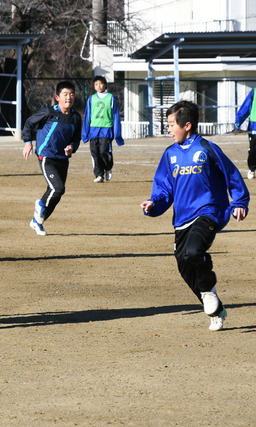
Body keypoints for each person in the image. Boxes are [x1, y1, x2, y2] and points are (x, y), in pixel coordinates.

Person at [141, 100, 249, 331]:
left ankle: (209, 288)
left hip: (208, 212)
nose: (168, 129)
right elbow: (164, 189)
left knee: (193, 252)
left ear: (187, 125)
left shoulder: (207, 149)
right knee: (185, 266)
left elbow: (232, 175)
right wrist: (154, 203)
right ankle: (215, 308)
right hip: (182, 220)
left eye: (171, 124)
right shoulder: (169, 155)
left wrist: (239, 202)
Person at [22, 80, 82, 236]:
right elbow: (29, 122)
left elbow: (76, 138)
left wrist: (72, 147)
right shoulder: (49, 113)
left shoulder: (76, 117)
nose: (69, 97)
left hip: (63, 159)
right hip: (46, 156)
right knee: (58, 188)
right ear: (57, 97)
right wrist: (28, 142)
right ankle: (40, 204)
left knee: (56, 193)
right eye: (65, 94)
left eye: (72, 94)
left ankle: (37, 222)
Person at [81, 75, 125, 183]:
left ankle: (108, 167)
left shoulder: (111, 98)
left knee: (103, 151)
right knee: (94, 152)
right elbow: (87, 116)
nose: (99, 86)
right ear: (94, 86)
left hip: (106, 129)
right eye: (96, 84)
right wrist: (85, 133)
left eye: (101, 83)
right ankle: (99, 175)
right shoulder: (91, 99)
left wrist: (117, 134)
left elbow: (115, 116)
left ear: (105, 85)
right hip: (94, 129)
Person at [234, 87, 256, 179]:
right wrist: (238, 121)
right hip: (254, 126)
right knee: (253, 150)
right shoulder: (254, 91)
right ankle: (252, 168)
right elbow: (246, 107)